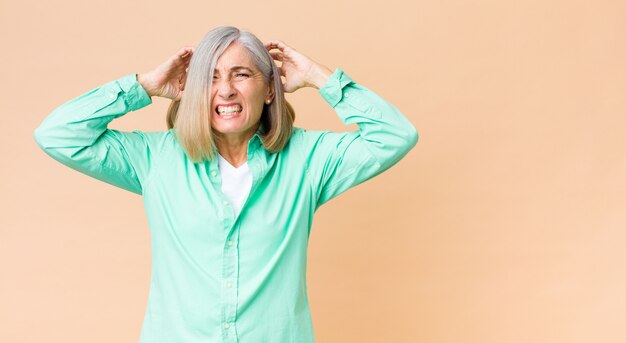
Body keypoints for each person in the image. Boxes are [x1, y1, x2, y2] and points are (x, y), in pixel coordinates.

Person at [33, 25, 418, 343]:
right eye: (211, 77)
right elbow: (57, 135)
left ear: (270, 90)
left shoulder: (306, 159)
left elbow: (395, 135)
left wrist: (321, 77)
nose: (226, 90)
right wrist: (143, 86)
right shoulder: (156, 159)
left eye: (241, 74)